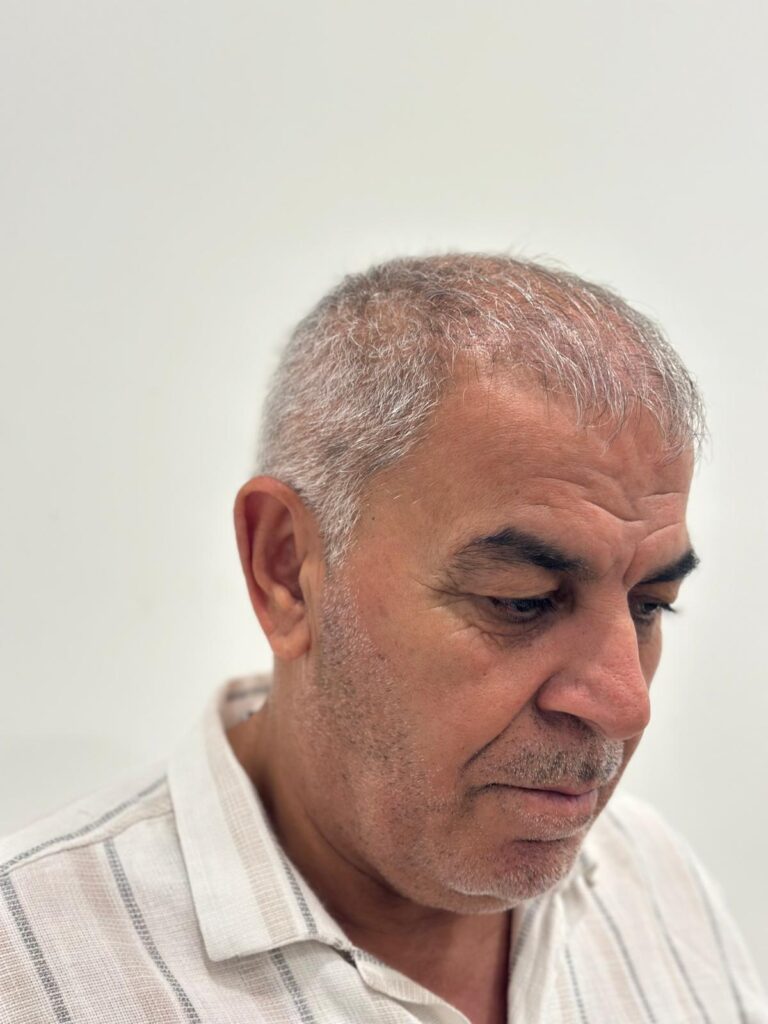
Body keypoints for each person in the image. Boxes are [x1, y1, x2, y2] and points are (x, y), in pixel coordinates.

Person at [0, 254, 765, 1024]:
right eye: (521, 601)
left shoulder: (655, 885)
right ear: (286, 569)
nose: (627, 705)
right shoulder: (30, 968)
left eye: (650, 606)